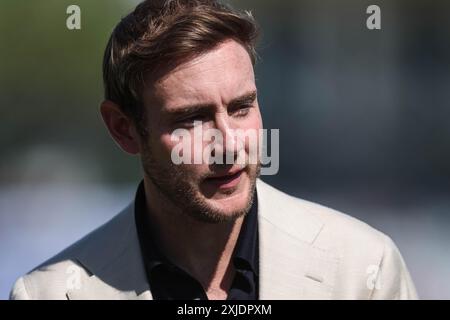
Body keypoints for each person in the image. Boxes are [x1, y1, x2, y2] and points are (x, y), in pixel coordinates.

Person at [10, 0, 417, 300]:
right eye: (191, 119)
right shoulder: (49, 293)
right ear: (124, 129)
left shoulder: (364, 271)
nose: (229, 144)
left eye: (241, 107)